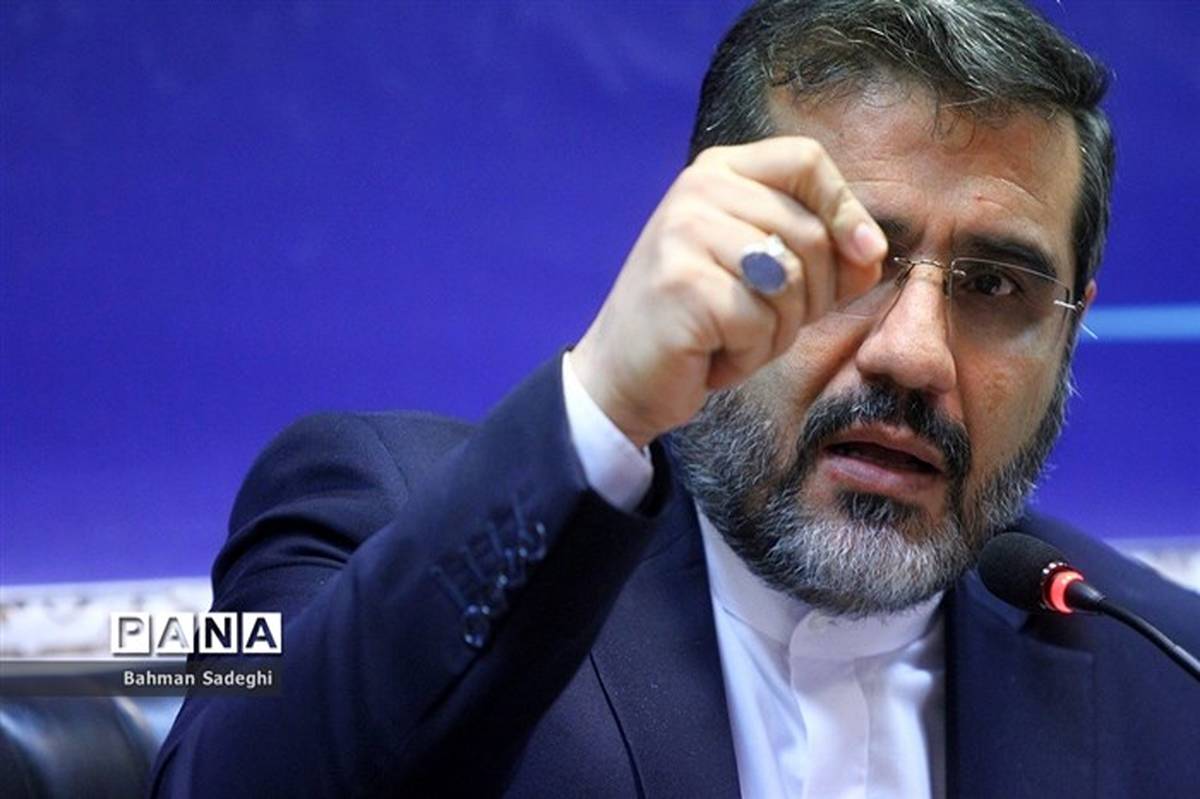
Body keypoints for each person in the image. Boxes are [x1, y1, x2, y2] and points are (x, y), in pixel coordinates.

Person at [152, 1, 1200, 796]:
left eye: (996, 288)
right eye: (853, 260)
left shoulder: (1163, 666)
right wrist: (605, 404)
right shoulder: (365, 506)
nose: (916, 354)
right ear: (710, 242)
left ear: (1071, 325)